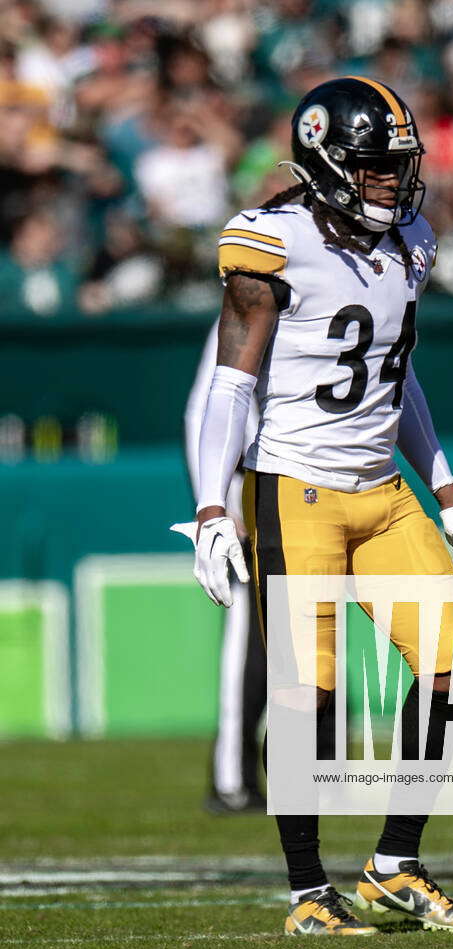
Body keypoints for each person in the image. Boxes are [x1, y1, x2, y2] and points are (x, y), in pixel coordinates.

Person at [173, 76, 453, 936]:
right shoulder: (269, 241)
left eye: (398, 166)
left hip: (383, 494)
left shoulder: (410, 239)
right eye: (374, 168)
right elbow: (232, 383)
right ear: (325, 164)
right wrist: (211, 507)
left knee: (451, 667)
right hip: (292, 489)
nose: (393, 183)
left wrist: (447, 492)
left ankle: (395, 865)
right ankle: (307, 890)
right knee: (307, 697)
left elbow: (398, 377)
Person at [183, 320, 267, 813]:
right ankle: (231, 776)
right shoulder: (246, 303)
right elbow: (205, 408)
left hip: (304, 486)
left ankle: (317, 764)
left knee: (308, 628)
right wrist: (212, 501)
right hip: (248, 486)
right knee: (247, 633)